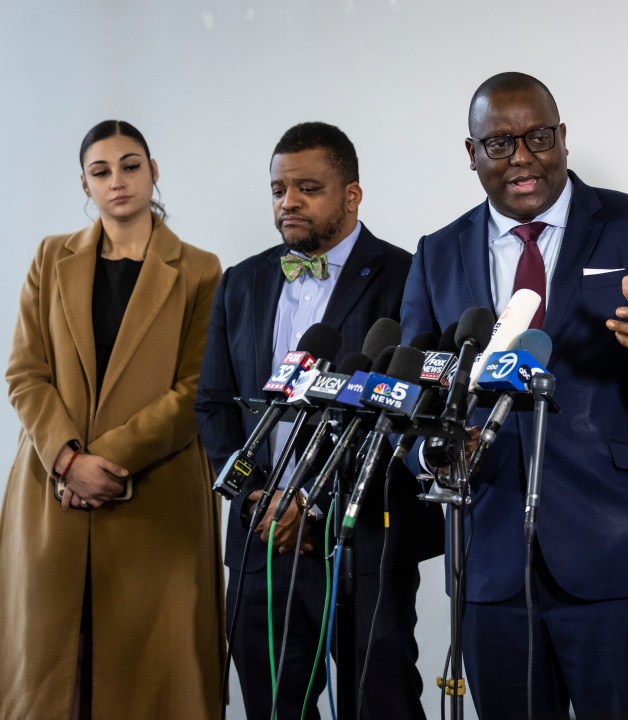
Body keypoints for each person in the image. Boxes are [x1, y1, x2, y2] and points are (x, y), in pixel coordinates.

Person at [399, 71, 628, 719]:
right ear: (470, 154)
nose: (523, 157)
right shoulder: (437, 255)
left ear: (563, 138)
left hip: (618, 555)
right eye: (499, 144)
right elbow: (411, 397)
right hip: (491, 564)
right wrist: (435, 454)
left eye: (538, 137)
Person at [195, 121, 443, 720]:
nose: (289, 203)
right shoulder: (242, 281)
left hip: (361, 539)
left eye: (308, 188)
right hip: (261, 539)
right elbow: (214, 404)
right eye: (279, 189)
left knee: (378, 701)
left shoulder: (408, 276)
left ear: (352, 195)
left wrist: (314, 506)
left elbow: (410, 413)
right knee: (273, 706)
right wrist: (258, 497)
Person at [0, 120, 224, 718]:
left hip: (156, 496)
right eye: (101, 172)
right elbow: (25, 372)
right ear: (85, 183)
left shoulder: (201, 269)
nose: (117, 181)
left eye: (130, 166)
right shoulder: (50, 257)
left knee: (153, 678)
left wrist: (111, 461)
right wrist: (71, 461)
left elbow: (196, 388)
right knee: (49, 678)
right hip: (53, 491)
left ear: (154, 172)